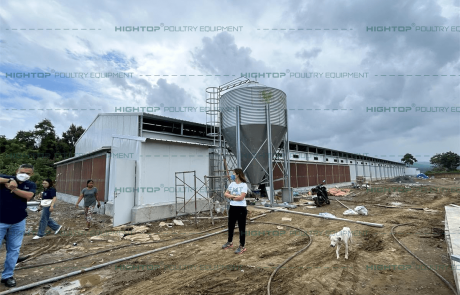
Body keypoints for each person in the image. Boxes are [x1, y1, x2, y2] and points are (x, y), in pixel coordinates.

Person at [0, 164, 36, 287]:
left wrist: (14, 189)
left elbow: (29, 196)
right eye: (22, 172)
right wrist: (10, 181)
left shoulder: (30, 185)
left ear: (31, 175)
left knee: (14, 249)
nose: (24, 174)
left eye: (28, 173)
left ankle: (7, 276)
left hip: (18, 221)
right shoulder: (5, 178)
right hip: (1, 221)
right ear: (17, 171)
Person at [222, 168, 248, 254]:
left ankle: (242, 246)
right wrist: (234, 196)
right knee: (231, 225)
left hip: (241, 208)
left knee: (241, 227)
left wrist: (231, 196)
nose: (232, 175)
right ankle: (229, 242)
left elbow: (241, 198)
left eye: (233, 173)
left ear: (238, 174)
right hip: (232, 207)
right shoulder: (232, 184)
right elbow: (225, 194)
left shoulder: (244, 185)